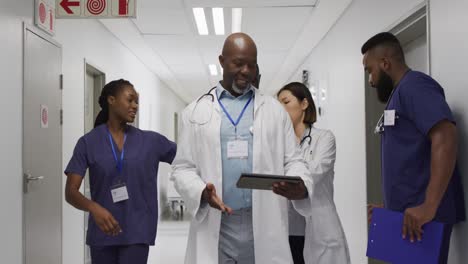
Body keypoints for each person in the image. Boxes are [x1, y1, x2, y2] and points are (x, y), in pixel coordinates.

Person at [171, 33, 313, 264]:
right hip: (217, 221)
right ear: (222, 61)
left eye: (252, 64)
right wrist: (200, 192)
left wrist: (302, 185)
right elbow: (182, 168)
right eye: (238, 63)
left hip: (263, 220)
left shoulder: (275, 111)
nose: (246, 71)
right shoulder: (195, 111)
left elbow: (293, 159)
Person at [362, 32, 465, 263]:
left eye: (370, 70)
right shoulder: (399, 94)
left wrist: (429, 205)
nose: (371, 80)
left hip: (423, 220)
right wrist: (390, 206)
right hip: (406, 219)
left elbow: (445, 136)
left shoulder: (415, 86)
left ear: (385, 63)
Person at [64, 79, 177, 264]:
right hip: (103, 233)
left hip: (137, 232)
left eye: (137, 102)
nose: (135, 106)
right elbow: (70, 192)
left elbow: (187, 159)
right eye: (130, 100)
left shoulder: (150, 142)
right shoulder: (88, 142)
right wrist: (93, 208)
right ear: (111, 100)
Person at [278, 82, 350, 264]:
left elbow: (316, 170)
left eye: (286, 102)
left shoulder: (324, 138)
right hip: (287, 231)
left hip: (319, 227)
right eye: (278, 104)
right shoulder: (278, 144)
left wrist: (288, 169)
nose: (281, 109)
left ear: (304, 104)